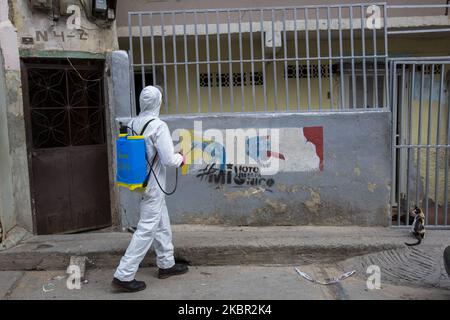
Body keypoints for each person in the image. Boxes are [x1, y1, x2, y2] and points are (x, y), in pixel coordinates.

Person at [112, 85, 188, 293]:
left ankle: (166, 264)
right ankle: (123, 275)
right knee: (146, 228)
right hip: (153, 184)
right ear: (158, 102)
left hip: (140, 181)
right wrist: (181, 158)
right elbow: (168, 159)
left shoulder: (133, 122)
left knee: (161, 221)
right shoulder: (158, 125)